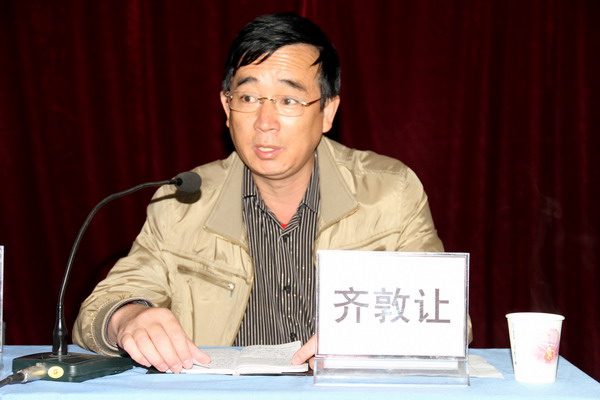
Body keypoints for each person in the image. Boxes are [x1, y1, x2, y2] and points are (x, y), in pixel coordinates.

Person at [73, 12, 447, 373]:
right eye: (249, 99)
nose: (265, 123)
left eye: (289, 101)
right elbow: (100, 308)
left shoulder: (390, 192)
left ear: (328, 112)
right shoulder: (182, 203)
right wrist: (129, 318)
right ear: (227, 106)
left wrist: (377, 339)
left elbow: (447, 318)